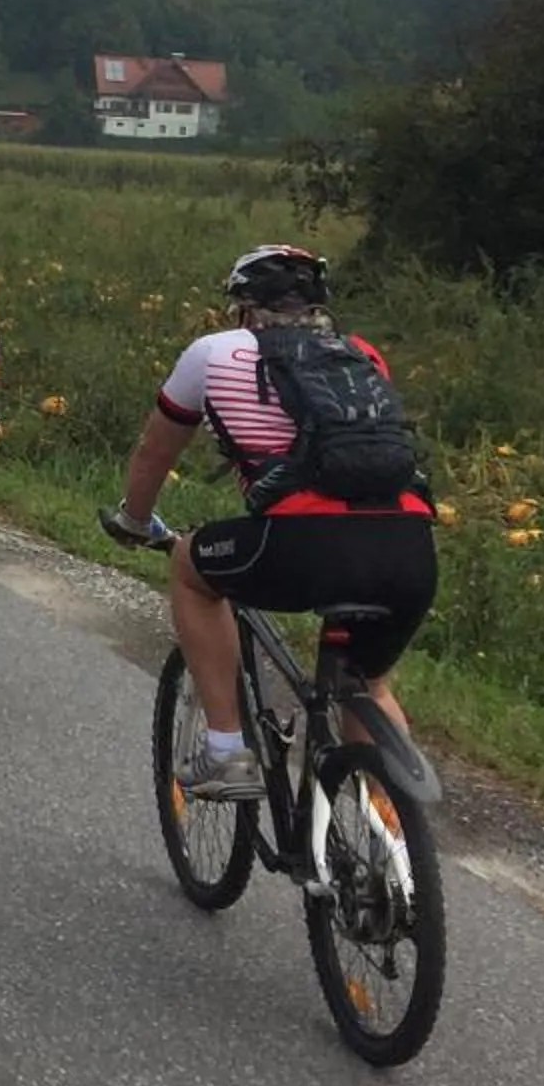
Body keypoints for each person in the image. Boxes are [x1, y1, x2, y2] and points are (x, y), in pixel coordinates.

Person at [102, 244, 439, 799]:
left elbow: (154, 451)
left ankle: (227, 751)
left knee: (190, 566)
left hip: (302, 544)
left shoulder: (213, 352)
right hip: (408, 548)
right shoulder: (363, 356)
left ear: (242, 306)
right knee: (368, 683)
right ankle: (396, 851)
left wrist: (135, 519)